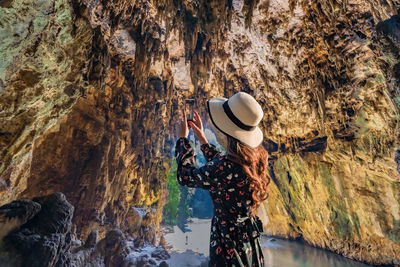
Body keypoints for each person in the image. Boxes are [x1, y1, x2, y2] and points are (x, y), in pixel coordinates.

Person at [175, 92, 271, 267]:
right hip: (249, 241)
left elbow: (185, 176)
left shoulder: (224, 167)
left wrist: (183, 140)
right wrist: (203, 140)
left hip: (229, 246)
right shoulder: (256, 158)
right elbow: (224, 170)